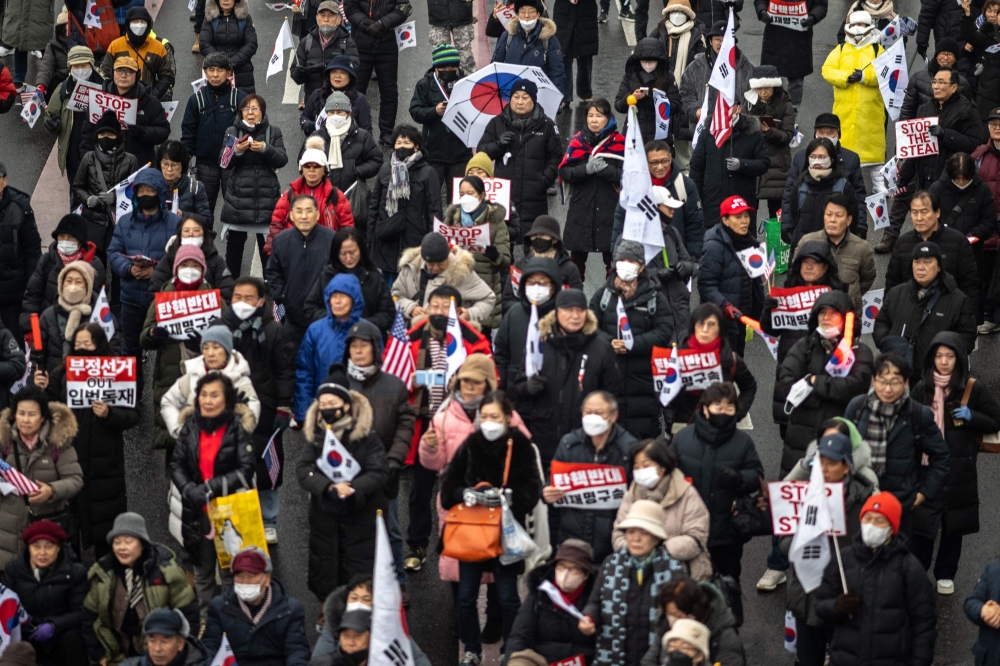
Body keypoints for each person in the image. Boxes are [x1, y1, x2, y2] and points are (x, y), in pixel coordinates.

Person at [440, 391, 541, 666]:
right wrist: (467, 494)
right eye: (484, 416)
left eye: (494, 416)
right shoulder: (471, 443)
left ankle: (511, 647)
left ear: (508, 418)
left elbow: (532, 490)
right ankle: (471, 650)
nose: (488, 422)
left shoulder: (519, 445)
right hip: (471, 533)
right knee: (465, 597)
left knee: (509, 597)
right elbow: (448, 487)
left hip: (506, 533)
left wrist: (508, 497)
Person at [417, 354, 530, 599]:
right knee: (460, 569)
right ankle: (461, 625)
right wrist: (429, 447)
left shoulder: (507, 415)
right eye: (465, 381)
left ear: (488, 384)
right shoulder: (443, 417)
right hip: (459, 506)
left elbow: (523, 453)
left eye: (476, 382)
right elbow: (435, 465)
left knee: (497, 576)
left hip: (495, 508)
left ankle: (494, 623)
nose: (469, 386)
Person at [402, 287, 494, 573]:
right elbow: (399, 378)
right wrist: (419, 379)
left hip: (462, 430)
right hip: (425, 428)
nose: (440, 311)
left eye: (446, 306)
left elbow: (489, 379)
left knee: (459, 490)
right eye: (435, 306)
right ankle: (417, 546)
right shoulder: (411, 339)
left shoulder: (473, 340)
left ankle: (458, 544)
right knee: (420, 491)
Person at [34, 324, 138, 558]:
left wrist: (110, 415)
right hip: (68, 457)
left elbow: (133, 415)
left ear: (100, 346)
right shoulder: (60, 374)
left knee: (106, 522)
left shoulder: (116, 372)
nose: (81, 349)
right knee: (69, 522)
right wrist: (40, 390)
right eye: (77, 345)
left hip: (106, 463)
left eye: (87, 345)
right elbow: (44, 412)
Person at [910, 333, 1000, 593]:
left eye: (949, 356)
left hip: (959, 468)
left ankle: (946, 573)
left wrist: (973, 416)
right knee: (923, 520)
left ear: (959, 358)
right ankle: (918, 569)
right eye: (939, 356)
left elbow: (996, 420)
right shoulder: (921, 387)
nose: (944, 361)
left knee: (954, 523)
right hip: (926, 466)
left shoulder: (972, 388)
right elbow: (909, 423)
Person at [773, 433, 874, 663]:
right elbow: (785, 547)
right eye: (820, 461)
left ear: (847, 466)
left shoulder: (863, 501)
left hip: (844, 598)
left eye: (832, 463)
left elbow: (869, 551)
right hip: (807, 599)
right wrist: (807, 535)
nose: (824, 468)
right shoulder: (801, 496)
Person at [814, 491, 936, 665]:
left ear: (891, 528)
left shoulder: (908, 567)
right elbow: (820, 607)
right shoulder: (844, 559)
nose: (871, 525)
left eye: (879, 521)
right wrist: (836, 606)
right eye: (868, 518)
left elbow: (924, 622)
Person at [169, 373, 256, 608]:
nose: (207, 401)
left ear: (226, 399)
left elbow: (245, 469)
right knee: (202, 571)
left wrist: (210, 488)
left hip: (229, 511)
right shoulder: (190, 427)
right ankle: (207, 618)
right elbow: (177, 464)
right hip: (197, 512)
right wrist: (189, 489)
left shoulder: (236, 429)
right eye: (203, 395)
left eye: (214, 395)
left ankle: (230, 617)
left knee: (229, 571)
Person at [297, 378, 388, 602]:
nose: (327, 408)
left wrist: (354, 488)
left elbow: (380, 473)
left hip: (361, 516)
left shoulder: (367, 437)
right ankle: (326, 613)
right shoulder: (316, 436)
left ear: (346, 405)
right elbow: (302, 468)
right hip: (325, 517)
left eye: (333, 403)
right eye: (323, 404)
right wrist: (327, 487)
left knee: (359, 575)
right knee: (326, 571)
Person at [336, 320, 414, 580]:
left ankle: (398, 581)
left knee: (389, 529)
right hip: (347, 472)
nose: (358, 351)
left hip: (383, 472)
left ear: (375, 349)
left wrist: (395, 459)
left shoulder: (394, 385)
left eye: (364, 346)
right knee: (347, 528)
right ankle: (354, 583)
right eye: (354, 346)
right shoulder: (338, 384)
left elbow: (405, 424)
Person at [218, 277, 293, 543]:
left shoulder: (274, 331)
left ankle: (268, 519)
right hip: (226, 409)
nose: (241, 302)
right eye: (237, 297)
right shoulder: (221, 328)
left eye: (248, 298)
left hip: (266, 410)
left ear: (261, 301)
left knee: (266, 464)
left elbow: (285, 371)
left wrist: (284, 406)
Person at [511, 288, 622, 467]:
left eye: (580, 310)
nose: (575, 315)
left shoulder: (600, 348)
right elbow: (518, 387)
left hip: (586, 441)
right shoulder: (540, 344)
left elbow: (613, 393)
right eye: (568, 310)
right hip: (544, 440)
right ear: (556, 313)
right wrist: (528, 387)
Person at [843, 354, 950, 536]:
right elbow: (843, 449)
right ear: (873, 380)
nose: (887, 388)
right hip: (859, 501)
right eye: (882, 381)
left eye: (894, 382)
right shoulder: (857, 407)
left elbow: (941, 456)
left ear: (906, 382)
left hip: (899, 504)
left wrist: (922, 494)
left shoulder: (918, 414)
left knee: (895, 559)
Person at [882, 66, 984, 253]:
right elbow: (917, 147)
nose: (936, 86)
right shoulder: (924, 109)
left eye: (941, 82)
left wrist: (946, 134)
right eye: (934, 82)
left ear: (954, 87)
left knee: (944, 224)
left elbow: (975, 143)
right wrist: (906, 172)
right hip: (925, 175)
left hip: (949, 178)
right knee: (924, 220)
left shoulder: (966, 110)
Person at [773, 291, 874, 476]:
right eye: (822, 313)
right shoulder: (804, 346)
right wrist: (830, 393)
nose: (826, 317)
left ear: (845, 318)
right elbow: (786, 384)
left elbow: (854, 387)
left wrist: (813, 382)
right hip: (800, 441)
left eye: (833, 313)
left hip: (839, 440)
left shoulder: (859, 351)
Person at [673, 382, 763, 583]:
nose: (723, 412)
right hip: (687, 529)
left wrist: (739, 478)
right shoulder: (683, 439)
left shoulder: (743, 442)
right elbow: (668, 475)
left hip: (727, 533)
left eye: (728, 408)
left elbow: (757, 476)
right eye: (718, 407)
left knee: (727, 587)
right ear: (705, 409)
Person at [578, 500, 686, 666]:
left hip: (656, 656)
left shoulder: (673, 570)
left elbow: (681, 616)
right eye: (630, 531)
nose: (635, 538)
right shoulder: (610, 563)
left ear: (657, 537)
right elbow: (595, 601)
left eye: (644, 532)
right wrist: (589, 617)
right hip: (613, 655)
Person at [81, 513, 198, 665]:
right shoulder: (103, 574)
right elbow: (89, 618)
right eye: (117, 542)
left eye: (128, 541)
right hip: (115, 657)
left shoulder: (167, 572)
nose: (122, 548)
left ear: (142, 543)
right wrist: (100, 655)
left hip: (158, 657)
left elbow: (189, 616)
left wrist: (177, 657)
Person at [141, 245, 225, 455]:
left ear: (203, 268)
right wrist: (153, 334)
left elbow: (231, 339)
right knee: (176, 449)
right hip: (171, 379)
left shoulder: (214, 300)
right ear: (176, 268)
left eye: (194, 265)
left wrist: (208, 340)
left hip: (206, 380)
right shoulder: (165, 297)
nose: (189, 269)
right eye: (184, 264)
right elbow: (143, 338)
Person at [590, 241, 674, 439]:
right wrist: (608, 342)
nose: (626, 265)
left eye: (631, 261)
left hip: (644, 380)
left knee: (642, 444)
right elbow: (590, 325)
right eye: (622, 260)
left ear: (642, 266)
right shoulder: (604, 295)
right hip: (611, 376)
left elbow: (664, 330)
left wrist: (633, 345)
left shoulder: (654, 297)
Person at [107, 163, 177, 390]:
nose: (146, 195)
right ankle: (131, 395)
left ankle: (164, 396)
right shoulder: (125, 222)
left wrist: (157, 272)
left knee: (167, 352)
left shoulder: (175, 224)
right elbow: (113, 253)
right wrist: (129, 269)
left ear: (159, 192)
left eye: (151, 191)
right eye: (141, 191)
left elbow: (182, 259)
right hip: (131, 300)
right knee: (130, 350)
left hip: (162, 300)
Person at [544, 391, 637, 562]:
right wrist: (546, 491)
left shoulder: (628, 449)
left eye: (599, 413)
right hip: (571, 536)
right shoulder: (569, 444)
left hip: (611, 538)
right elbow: (551, 481)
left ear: (613, 416)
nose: (592, 417)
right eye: (588, 412)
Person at [613, 438, 712, 579]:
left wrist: (658, 550)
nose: (640, 471)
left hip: (682, 578)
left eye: (646, 465)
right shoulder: (631, 495)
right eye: (636, 467)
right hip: (638, 576)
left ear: (662, 467)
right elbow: (618, 534)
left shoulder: (686, 493)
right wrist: (635, 550)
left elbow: (696, 538)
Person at [879, 232, 977, 374]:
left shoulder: (957, 299)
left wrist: (947, 358)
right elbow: (882, 322)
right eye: (917, 261)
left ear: (939, 267)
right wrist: (890, 345)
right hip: (902, 374)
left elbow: (967, 335)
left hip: (940, 376)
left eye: (927, 262)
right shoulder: (897, 294)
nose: (921, 267)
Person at [477, 80, 562, 242]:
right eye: (516, 97)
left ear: (534, 100)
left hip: (534, 196)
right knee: (502, 243)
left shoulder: (546, 125)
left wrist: (544, 180)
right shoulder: (497, 123)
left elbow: (556, 157)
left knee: (535, 245)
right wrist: (498, 144)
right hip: (503, 194)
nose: (520, 102)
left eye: (525, 97)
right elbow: (482, 152)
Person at [201, 547, 310, 665]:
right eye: (240, 576)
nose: (245, 582)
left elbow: (296, 651)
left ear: (267, 578)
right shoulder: (219, 607)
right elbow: (210, 646)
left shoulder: (290, 609)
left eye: (251, 576)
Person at [220, 94, 289, 276]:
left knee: (267, 244)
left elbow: (282, 159)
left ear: (262, 111)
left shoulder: (273, 131)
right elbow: (224, 161)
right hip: (238, 197)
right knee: (235, 243)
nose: (250, 113)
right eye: (246, 109)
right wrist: (238, 152)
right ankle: (231, 282)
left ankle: (270, 283)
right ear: (240, 112)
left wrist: (266, 149)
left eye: (255, 109)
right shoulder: (232, 132)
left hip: (265, 196)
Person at [1, 521, 87, 665]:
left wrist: (54, 625)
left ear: (58, 548)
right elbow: (4, 603)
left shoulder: (75, 572)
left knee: (73, 639)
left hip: (60, 635)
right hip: (27, 634)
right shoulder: (14, 570)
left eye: (49, 546)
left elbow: (82, 612)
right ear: (28, 548)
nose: (42, 552)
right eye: (36, 546)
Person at [559, 99, 625, 281]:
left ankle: (612, 300)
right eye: (590, 116)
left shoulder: (620, 144)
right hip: (581, 209)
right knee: (576, 263)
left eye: (599, 115)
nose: (594, 120)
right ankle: (574, 299)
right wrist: (585, 170)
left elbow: (630, 177)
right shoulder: (577, 142)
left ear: (608, 118)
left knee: (612, 262)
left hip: (610, 210)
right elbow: (564, 171)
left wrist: (607, 171)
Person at [160, 324, 261, 442]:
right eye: (206, 347)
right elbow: (168, 402)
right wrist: (180, 430)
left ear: (227, 350)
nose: (210, 353)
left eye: (216, 347)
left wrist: (236, 436)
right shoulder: (192, 375)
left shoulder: (240, 381)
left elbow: (252, 413)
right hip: (195, 453)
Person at [664, 303, 757, 431]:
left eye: (711, 324)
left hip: (719, 428)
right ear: (693, 327)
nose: (705, 329)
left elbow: (749, 387)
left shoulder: (730, 359)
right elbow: (664, 391)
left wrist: (735, 414)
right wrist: (670, 418)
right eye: (700, 323)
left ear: (720, 328)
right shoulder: (677, 357)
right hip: (684, 425)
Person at [504, 540, 598, 665]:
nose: (565, 574)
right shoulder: (540, 592)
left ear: (586, 574)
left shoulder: (596, 598)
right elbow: (519, 637)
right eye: (561, 566)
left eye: (574, 569)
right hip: (542, 660)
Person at [821, 11, 885, 192]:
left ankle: (879, 184)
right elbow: (827, 70)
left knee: (873, 146)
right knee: (843, 148)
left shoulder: (877, 50)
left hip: (870, 108)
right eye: (856, 25)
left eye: (863, 25)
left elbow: (886, 73)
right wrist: (846, 77)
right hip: (845, 109)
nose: (859, 29)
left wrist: (865, 76)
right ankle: (841, 182)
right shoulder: (841, 49)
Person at [369, 125, 443, 280]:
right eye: (398, 143)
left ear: (416, 147)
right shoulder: (385, 169)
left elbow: (434, 212)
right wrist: (370, 240)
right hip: (386, 242)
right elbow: (374, 207)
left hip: (415, 242)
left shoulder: (428, 173)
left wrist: (432, 243)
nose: (402, 146)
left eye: (407, 143)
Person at [611, 139, 704, 261]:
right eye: (654, 162)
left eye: (665, 161)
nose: (660, 167)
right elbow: (620, 221)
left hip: (675, 258)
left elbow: (695, 224)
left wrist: (692, 257)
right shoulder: (633, 187)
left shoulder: (684, 185)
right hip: (641, 260)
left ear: (670, 157)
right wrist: (617, 255)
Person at [265, 193, 337, 348]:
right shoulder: (281, 240)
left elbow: (339, 273)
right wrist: (283, 296)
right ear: (291, 215)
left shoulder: (332, 240)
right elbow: (272, 272)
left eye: (309, 211)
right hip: (292, 316)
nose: (304, 216)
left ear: (317, 214)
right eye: (299, 211)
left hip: (323, 316)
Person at [440, 176, 511, 331]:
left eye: (470, 193)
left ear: (482, 195)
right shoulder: (452, 217)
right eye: (462, 193)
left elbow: (505, 259)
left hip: (483, 289)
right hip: (456, 288)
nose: (465, 197)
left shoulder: (495, 221)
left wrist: (494, 255)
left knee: (481, 344)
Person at [179, 52, 246, 215]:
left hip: (233, 163)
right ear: (205, 72)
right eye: (211, 70)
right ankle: (205, 239)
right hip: (205, 164)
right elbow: (188, 132)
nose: (215, 74)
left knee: (235, 208)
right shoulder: (196, 100)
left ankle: (233, 239)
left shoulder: (240, 98)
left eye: (220, 70)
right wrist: (185, 158)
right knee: (204, 210)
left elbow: (251, 129)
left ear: (229, 73)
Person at [698, 195, 766, 354]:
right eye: (738, 217)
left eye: (746, 216)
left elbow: (755, 283)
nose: (744, 221)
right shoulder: (714, 246)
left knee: (738, 364)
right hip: (721, 322)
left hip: (742, 319)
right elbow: (706, 285)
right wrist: (725, 306)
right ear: (725, 220)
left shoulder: (750, 243)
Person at [680, 20, 755, 161]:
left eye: (725, 39)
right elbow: (685, 94)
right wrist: (695, 111)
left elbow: (753, 97)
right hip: (704, 130)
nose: (721, 43)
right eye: (717, 39)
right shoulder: (696, 66)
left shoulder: (747, 68)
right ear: (710, 41)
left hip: (737, 132)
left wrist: (741, 110)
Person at [761, 241, 846, 364]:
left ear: (825, 267)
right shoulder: (788, 292)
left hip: (823, 365)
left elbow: (852, 329)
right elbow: (771, 330)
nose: (809, 267)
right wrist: (768, 312)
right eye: (805, 262)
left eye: (815, 262)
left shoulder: (837, 295)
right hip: (789, 363)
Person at [926, 153, 996, 303]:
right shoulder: (937, 189)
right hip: (942, 251)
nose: (962, 182)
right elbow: (927, 217)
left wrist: (972, 235)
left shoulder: (982, 190)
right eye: (957, 179)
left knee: (970, 293)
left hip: (972, 252)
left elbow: (989, 221)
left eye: (965, 179)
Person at [295, 273, 364, 420]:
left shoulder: (367, 330)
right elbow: (305, 372)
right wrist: (304, 412)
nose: (337, 301)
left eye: (343, 296)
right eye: (333, 296)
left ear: (354, 300)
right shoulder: (315, 330)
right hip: (322, 408)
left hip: (357, 411)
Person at [690, 104, 771, 230]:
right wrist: (697, 198)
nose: (724, 109)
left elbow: (764, 162)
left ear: (738, 108)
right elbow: (696, 167)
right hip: (713, 203)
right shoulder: (708, 132)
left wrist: (742, 164)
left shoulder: (752, 133)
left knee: (743, 246)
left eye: (729, 105)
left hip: (742, 202)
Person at [21, 214, 106, 334]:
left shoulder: (93, 265)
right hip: (49, 328)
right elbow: (33, 296)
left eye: (71, 237)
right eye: (62, 236)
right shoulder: (47, 260)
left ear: (80, 241)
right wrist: (31, 329)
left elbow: (98, 301)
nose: (65, 241)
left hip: (83, 331)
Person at [80, 56, 170, 168]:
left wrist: (143, 132)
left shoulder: (151, 102)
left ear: (137, 75)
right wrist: (88, 163)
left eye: (129, 71)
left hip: (139, 167)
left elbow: (164, 131)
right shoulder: (99, 99)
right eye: (119, 70)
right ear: (113, 73)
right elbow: (87, 134)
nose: (123, 75)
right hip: (105, 167)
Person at [408, 45, 473, 201]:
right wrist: (434, 111)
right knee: (430, 198)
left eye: (452, 66)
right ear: (435, 67)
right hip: (433, 152)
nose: (448, 70)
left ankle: (455, 226)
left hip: (461, 153)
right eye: (443, 67)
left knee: (459, 200)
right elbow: (415, 111)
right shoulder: (424, 84)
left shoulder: (467, 83)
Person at [392, 232, 497, 327]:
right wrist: (410, 308)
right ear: (423, 259)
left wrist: (470, 314)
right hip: (414, 334)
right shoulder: (410, 269)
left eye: (441, 263)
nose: (436, 268)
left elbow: (488, 298)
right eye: (431, 264)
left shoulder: (461, 273)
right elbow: (396, 296)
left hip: (449, 336)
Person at [265, 145, 355, 255]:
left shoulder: (336, 196)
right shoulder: (290, 195)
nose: (311, 170)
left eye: (316, 166)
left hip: (327, 255)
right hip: (294, 254)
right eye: (307, 166)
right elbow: (276, 225)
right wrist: (273, 251)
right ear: (302, 169)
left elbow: (347, 228)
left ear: (324, 170)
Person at [72, 110, 140, 253]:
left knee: (119, 265)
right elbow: (77, 186)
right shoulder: (88, 158)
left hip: (119, 222)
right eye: (102, 134)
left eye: (110, 134)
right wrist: (88, 199)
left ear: (118, 136)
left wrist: (116, 198)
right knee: (94, 267)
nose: (106, 137)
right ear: (96, 136)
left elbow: (136, 191)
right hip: (93, 221)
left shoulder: (131, 160)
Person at [303, 228, 394, 332]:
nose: (348, 257)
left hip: (367, 339)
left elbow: (389, 313)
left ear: (361, 250)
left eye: (352, 252)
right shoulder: (327, 276)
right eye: (343, 253)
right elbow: (309, 309)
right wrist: (335, 319)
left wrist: (361, 324)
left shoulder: (374, 277)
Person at [343, 0, 409, 144]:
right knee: (355, 92)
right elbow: (350, 7)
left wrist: (382, 24)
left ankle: (386, 132)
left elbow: (403, 8)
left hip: (387, 46)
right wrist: (367, 25)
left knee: (389, 91)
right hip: (360, 46)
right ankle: (357, 130)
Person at [796, 193, 875, 310]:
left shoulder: (862, 248)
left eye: (838, 215)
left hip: (848, 316)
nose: (832, 220)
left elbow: (867, 279)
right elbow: (795, 274)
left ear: (848, 220)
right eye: (828, 214)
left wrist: (853, 297)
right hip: (814, 314)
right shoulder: (806, 242)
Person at [35, 262, 117, 374]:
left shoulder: (102, 316)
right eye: (68, 281)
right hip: (55, 384)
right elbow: (37, 356)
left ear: (88, 286)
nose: (72, 286)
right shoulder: (47, 316)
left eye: (79, 282)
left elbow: (114, 352)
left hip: (92, 382)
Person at [495, 257, 560, 395]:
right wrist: (501, 390)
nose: (536, 287)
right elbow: (501, 355)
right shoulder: (514, 313)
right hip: (515, 394)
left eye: (542, 282)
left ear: (553, 287)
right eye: (531, 282)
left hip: (552, 395)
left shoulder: (562, 315)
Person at [784, 113, 869, 218]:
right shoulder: (801, 157)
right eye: (821, 132)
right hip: (805, 221)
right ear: (815, 134)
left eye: (830, 133)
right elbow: (789, 193)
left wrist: (860, 227)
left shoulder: (851, 159)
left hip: (838, 222)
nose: (825, 136)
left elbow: (859, 197)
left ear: (838, 134)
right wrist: (787, 225)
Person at [644, 577, 744, 666]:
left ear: (694, 612)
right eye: (669, 615)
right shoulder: (665, 625)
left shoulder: (723, 634)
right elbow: (649, 660)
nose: (672, 620)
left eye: (678, 615)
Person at [782, 138, 859, 252]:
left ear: (832, 159)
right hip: (803, 249)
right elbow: (793, 213)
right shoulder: (800, 185)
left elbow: (853, 219)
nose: (817, 161)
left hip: (834, 250)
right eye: (813, 157)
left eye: (822, 157)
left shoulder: (843, 187)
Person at [43, 46, 105, 187]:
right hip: (73, 153)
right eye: (76, 66)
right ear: (70, 67)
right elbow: (49, 115)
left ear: (91, 64)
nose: (80, 69)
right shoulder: (63, 88)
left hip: (100, 151)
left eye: (84, 65)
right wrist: (51, 123)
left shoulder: (105, 87)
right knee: (76, 192)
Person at [302, 93, 383, 201]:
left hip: (352, 196)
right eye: (331, 112)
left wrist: (356, 171)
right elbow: (302, 161)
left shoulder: (362, 136)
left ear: (348, 114)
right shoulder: (317, 136)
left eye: (339, 112)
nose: (335, 116)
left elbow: (376, 160)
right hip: (322, 197)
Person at [743, 66, 796, 220]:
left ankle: (776, 244)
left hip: (777, 168)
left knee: (777, 217)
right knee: (749, 214)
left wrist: (770, 132)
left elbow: (787, 135)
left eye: (767, 88)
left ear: (774, 86)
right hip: (754, 165)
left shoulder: (785, 104)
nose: (763, 92)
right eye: (759, 88)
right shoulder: (749, 103)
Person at [503, 216, 584, 311]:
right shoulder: (520, 265)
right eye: (535, 235)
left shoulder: (569, 269)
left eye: (543, 235)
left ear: (554, 239)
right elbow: (507, 300)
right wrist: (528, 309)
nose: (538, 238)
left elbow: (577, 301)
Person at [754, 0, 824, 108]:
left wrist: (813, 17)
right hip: (775, 37)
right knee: (771, 80)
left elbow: (820, 4)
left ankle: (791, 113)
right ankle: (772, 112)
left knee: (796, 83)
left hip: (799, 40)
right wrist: (761, 10)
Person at [0, 163, 42, 342]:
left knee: (14, 342)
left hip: (14, 291)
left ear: (5, 180)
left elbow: (32, 251)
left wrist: (30, 287)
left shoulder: (20, 207)